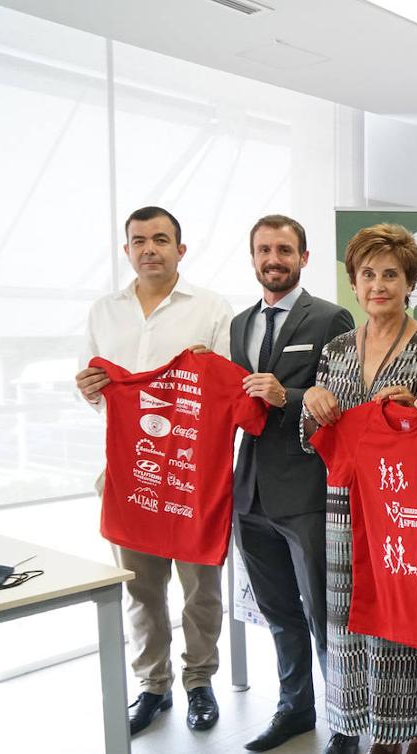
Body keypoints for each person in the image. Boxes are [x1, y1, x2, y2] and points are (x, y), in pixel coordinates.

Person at [75, 205, 233, 735]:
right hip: (129, 473)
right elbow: (96, 389)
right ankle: (153, 686)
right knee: (140, 587)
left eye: (160, 239)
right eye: (138, 240)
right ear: (126, 251)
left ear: (180, 249)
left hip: (192, 475)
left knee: (200, 587)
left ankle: (200, 682)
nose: (149, 249)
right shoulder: (104, 311)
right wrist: (91, 390)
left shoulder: (211, 308)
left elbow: (227, 387)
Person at [301, 224, 417, 754]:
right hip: (343, 511)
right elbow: (313, 440)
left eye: (391, 274)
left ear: (411, 281)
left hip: (407, 514)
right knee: (349, 625)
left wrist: (414, 414)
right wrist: (311, 401)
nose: (379, 284)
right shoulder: (337, 349)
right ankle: (367, 730)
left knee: (404, 626)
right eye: (367, 274)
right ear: (353, 282)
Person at [230, 215, 354, 752]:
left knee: (325, 616)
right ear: (253, 257)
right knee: (278, 612)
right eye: (264, 250)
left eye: (284, 249)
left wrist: (293, 397)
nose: (273, 259)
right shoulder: (239, 324)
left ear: (303, 257)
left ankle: (345, 723)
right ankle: (295, 709)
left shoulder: (330, 317)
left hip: (306, 490)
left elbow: (345, 401)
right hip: (250, 492)